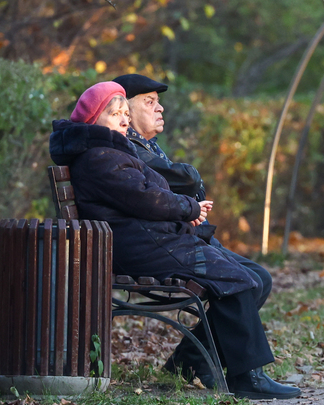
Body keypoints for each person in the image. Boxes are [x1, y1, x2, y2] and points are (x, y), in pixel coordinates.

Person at [48, 81, 301, 400]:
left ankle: (197, 365)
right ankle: (248, 377)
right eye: (116, 114)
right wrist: (189, 208)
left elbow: (144, 197)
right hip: (143, 247)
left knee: (245, 278)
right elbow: (145, 199)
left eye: (126, 113)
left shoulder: (106, 151)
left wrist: (184, 212)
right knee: (236, 278)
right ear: (94, 118)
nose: (125, 119)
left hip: (147, 241)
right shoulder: (101, 156)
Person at [111, 74, 276, 383]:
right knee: (245, 280)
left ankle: (187, 363)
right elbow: (176, 183)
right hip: (156, 246)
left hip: (172, 238)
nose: (160, 109)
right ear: (125, 111)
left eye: (158, 102)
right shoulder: (126, 149)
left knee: (260, 278)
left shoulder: (143, 147)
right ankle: (243, 376)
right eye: (150, 102)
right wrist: (190, 189)